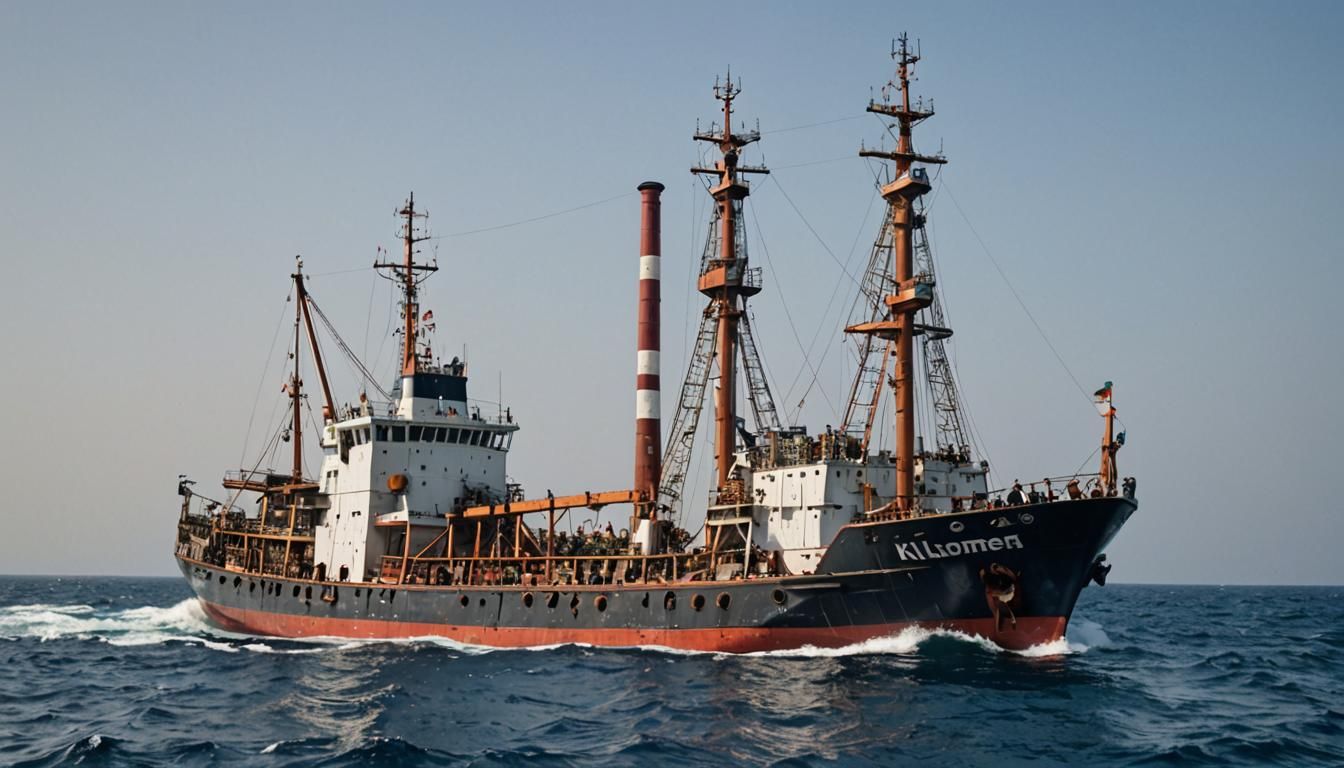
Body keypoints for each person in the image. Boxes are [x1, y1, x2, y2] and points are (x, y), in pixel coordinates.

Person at [980, 563, 1021, 632]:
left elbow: (1011, 584)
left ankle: (1007, 621)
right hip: (1005, 592)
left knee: (999, 604)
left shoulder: (1003, 578)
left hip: (1007, 593)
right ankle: (1005, 622)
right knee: (999, 605)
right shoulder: (997, 577)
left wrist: (998, 594)